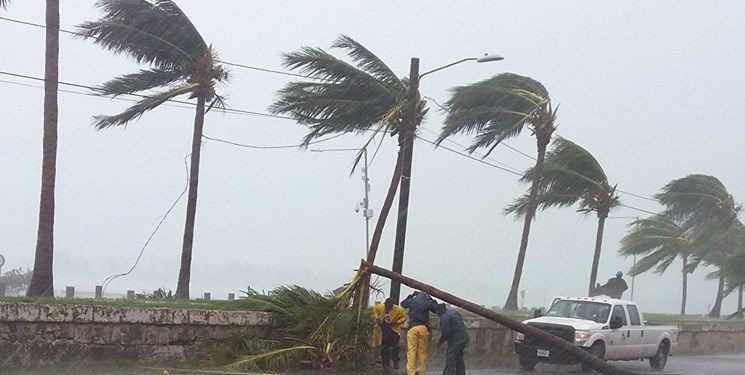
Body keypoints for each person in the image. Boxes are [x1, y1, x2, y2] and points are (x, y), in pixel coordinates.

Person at [401, 291, 438, 375]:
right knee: (422, 351)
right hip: (423, 328)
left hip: (413, 328)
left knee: (411, 351)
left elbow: (403, 304)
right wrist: (431, 298)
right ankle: (421, 371)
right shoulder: (426, 302)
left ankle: (411, 372)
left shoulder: (412, 301)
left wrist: (411, 295)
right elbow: (436, 309)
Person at [372, 298, 408, 372]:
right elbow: (375, 309)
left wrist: (397, 322)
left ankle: (395, 360)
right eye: (385, 306)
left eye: (388, 306)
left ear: (392, 306)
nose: (386, 308)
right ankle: (385, 365)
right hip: (384, 330)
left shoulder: (399, 310)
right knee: (384, 348)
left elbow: (404, 318)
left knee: (395, 346)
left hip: (393, 330)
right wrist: (377, 318)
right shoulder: (381, 307)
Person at [435, 303, 469, 375]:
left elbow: (446, 333)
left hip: (456, 339)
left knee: (451, 357)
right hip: (464, 336)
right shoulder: (454, 312)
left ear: (438, 312)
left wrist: (440, 342)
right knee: (459, 357)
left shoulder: (444, 317)